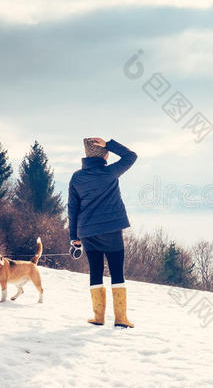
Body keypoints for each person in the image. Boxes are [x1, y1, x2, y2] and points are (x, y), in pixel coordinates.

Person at [68, 137, 137, 328]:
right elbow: (131, 156)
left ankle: (98, 317)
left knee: (95, 272)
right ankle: (121, 319)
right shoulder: (109, 172)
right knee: (117, 272)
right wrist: (109, 144)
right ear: (104, 155)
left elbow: (72, 208)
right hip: (111, 231)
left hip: (87, 233)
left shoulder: (77, 177)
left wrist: (74, 237)